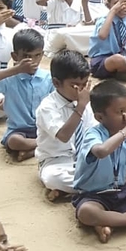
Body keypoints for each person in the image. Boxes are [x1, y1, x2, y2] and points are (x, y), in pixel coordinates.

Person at [73, 80, 126, 243]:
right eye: (120, 111)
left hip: (122, 191)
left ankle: (112, 222)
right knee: (86, 212)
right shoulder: (93, 134)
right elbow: (101, 151)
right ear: (100, 117)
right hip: (95, 196)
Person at [0, 29, 53, 162]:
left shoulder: (48, 78)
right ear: (15, 56)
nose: (32, 60)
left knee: (61, 133)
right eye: (27, 56)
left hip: (44, 128)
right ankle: (40, 147)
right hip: (19, 130)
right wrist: (17, 69)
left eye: (37, 55)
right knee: (14, 141)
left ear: (42, 55)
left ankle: (32, 150)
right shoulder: (9, 79)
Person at [35, 51, 93, 200]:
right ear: (56, 83)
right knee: (52, 178)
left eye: (84, 84)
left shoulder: (86, 101)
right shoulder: (47, 107)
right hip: (57, 162)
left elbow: (94, 131)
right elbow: (63, 136)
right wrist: (80, 108)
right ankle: (101, 188)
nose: (80, 90)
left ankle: (72, 191)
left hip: (84, 159)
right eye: (74, 85)